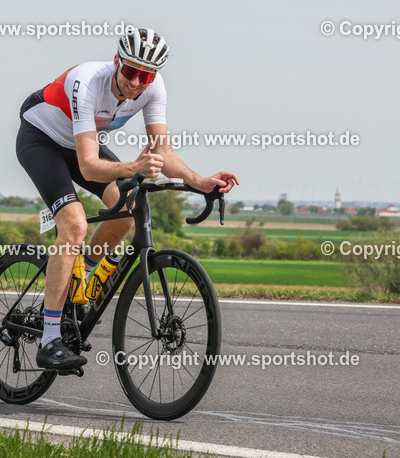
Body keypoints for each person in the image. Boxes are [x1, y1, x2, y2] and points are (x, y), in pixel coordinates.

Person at [16, 25, 239, 371]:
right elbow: (90, 167)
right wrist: (133, 165)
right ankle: (48, 340)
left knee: (126, 215)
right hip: (42, 139)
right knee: (73, 225)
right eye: (132, 72)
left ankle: (78, 289)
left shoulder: (153, 88)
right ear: (118, 61)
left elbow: (162, 152)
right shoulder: (87, 81)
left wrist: (199, 181)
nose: (136, 83)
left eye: (145, 77)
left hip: (80, 145)